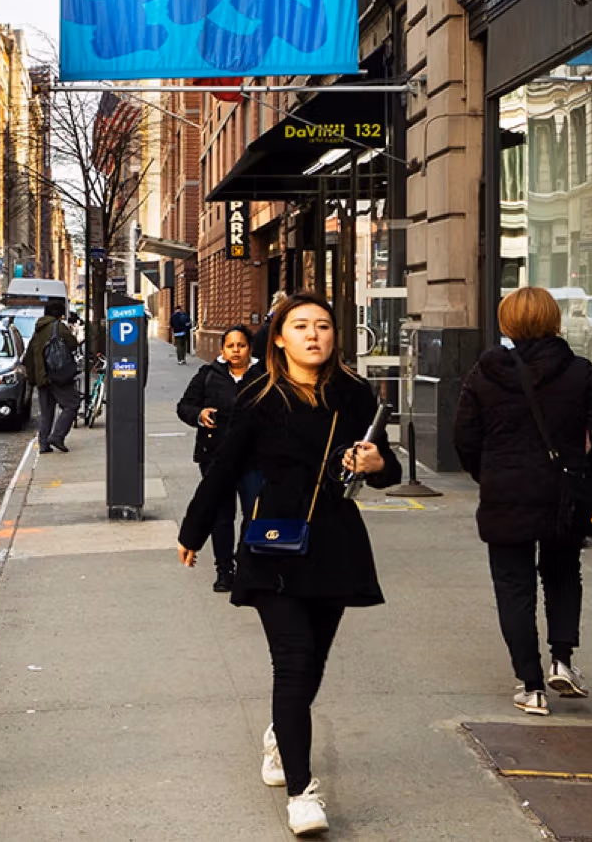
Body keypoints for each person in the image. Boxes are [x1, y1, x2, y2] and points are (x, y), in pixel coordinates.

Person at [178, 292, 400, 837]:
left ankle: (281, 733)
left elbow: (386, 467)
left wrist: (377, 463)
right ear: (278, 337)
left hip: (335, 543)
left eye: (322, 326)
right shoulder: (258, 396)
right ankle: (302, 791)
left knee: (315, 659)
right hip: (273, 542)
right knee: (295, 659)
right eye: (300, 326)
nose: (313, 335)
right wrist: (195, 530)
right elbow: (224, 468)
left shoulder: (354, 395)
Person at [452, 287, 592, 717]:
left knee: (513, 587)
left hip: (505, 494)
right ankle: (562, 659)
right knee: (563, 574)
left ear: (506, 323)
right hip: (562, 494)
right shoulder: (579, 372)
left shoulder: (484, 373)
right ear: (554, 321)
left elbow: (464, 438)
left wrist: (486, 474)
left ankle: (530, 686)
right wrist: (587, 476)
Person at [176, 326, 261, 593]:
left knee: (254, 514)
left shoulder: (264, 376)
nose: (236, 350)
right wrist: (200, 414)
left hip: (253, 459)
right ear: (222, 350)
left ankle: (246, 564)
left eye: (241, 345)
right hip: (215, 457)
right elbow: (184, 407)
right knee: (222, 516)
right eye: (231, 346)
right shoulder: (208, 375)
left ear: (250, 348)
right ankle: (224, 570)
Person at [24, 300, 82, 453]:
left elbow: (28, 356)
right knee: (72, 404)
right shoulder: (58, 327)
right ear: (60, 314)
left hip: (42, 378)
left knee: (46, 412)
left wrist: (32, 379)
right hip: (57, 375)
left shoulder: (38, 330)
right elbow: (72, 344)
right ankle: (57, 436)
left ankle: (43, 445)